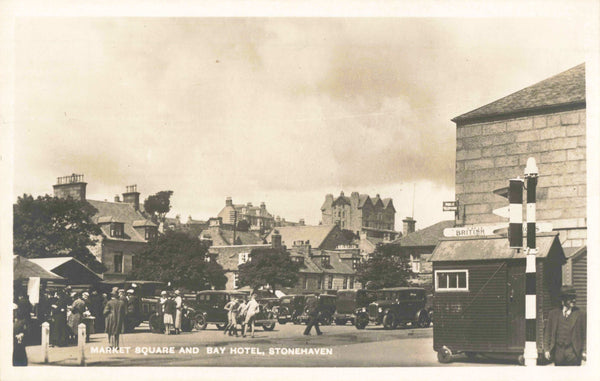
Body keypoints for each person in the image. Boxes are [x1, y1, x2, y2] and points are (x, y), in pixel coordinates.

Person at [544, 286, 586, 366]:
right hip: (558, 354)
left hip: (574, 353)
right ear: (563, 300)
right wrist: (546, 349)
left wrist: (584, 351)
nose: (574, 300)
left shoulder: (580, 314)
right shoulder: (553, 314)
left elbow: (585, 335)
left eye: (574, 297)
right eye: (570, 298)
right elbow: (547, 333)